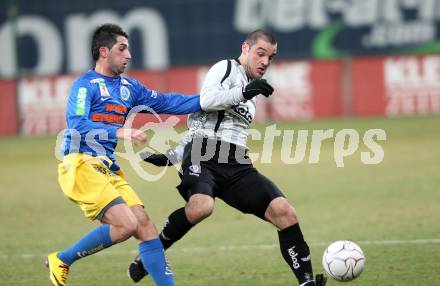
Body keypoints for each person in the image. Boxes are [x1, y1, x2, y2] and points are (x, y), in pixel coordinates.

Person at [127, 29, 327, 286]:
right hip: (202, 152)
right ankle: (151, 254)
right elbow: (207, 102)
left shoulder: (252, 94)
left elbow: (200, 122)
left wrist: (172, 154)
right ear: (245, 48)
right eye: (261, 53)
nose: (265, 61)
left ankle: (307, 282)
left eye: (271, 57)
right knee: (202, 207)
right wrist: (244, 92)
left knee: (284, 212)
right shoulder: (225, 69)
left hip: (236, 163)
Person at [45, 23, 203, 286]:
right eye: (122, 48)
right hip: (81, 163)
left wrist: (213, 99)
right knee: (127, 224)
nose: (129, 55)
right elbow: (76, 124)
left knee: (144, 226)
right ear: (104, 51)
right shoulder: (85, 86)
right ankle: (63, 258)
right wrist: (120, 133)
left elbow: (167, 102)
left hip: (107, 167)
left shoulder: (129, 87)